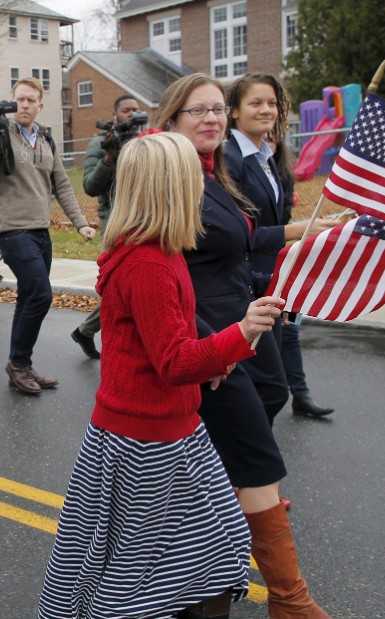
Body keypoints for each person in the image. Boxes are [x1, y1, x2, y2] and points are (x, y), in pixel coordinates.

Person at [39, 132, 285, 619]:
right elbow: (174, 362)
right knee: (144, 572)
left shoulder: (160, 251)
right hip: (146, 442)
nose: (202, 187)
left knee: (213, 549)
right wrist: (239, 333)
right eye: (192, 178)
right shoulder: (149, 263)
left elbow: (171, 344)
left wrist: (218, 356)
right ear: (167, 188)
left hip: (174, 429)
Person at [156, 72, 332, 618]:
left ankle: (208, 533)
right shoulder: (169, 176)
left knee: (273, 397)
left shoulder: (214, 173)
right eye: (197, 111)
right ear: (172, 121)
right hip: (209, 334)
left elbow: (246, 238)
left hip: (246, 319)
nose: (210, 118)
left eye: (215, 110)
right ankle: (289, 598)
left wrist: (311, 229)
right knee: (257, 454)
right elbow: (165, 272)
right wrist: (208, 346)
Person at [0, 77, 96, 395]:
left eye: (30, 100)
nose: (24, 105)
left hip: (42, 231)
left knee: (29, 297)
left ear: (40, 105)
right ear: (12, 103)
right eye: (19, 100)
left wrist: (80, 222)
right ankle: (17, 365)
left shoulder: (46, 140)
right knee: (41, 295)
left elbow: (63, 185)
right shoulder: (0, 137)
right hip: (13, 232)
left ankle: (20, 364)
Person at [224, 74, 337, 420]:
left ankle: (253, 454)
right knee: (262, 387)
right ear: (234, 111)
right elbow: (240, 234)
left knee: (270, 381)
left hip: (271, 274)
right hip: (243, 282)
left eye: (271, 103)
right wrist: (298, 230)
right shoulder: (229, 159)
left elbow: (276, 211)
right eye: (255, 103)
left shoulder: (266, 155)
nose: (266, 110)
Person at [71, 94, 141, 360]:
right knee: (120, 284)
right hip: (115, 221)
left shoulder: (147, 143)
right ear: (115, 115)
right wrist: (109, 157)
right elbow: (90, 186)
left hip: (147, 219)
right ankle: (92, 333)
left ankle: (86, 330)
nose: (131, 115)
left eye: (136, 110)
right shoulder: (100, 144)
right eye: (126, 110)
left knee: (127, 285)